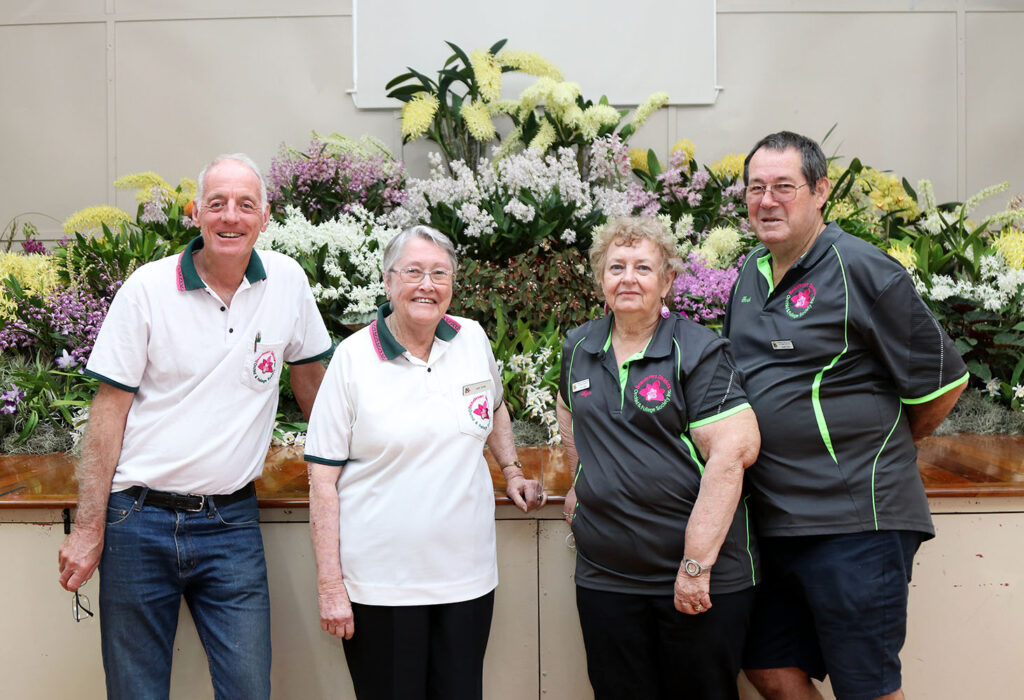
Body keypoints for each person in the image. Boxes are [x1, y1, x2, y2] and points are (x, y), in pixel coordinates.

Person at [57, 153, 332, 699]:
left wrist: (349, 473)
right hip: (137, 522)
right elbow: (107, 413)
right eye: (217, 204)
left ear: (265, 216)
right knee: (136, 692)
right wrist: (89, 530)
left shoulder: (288, 283)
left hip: (231, 524)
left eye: (245, 205)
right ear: (196, 214)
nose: (231, 217)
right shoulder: (147, 288)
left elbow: (314, 391)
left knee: (249, 689)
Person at [724, 131, 968, 700]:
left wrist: (880, 446)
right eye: (756, 188)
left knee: (868, 687)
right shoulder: (748, 275)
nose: (767, 200)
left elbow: (944, 384)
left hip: (857, 523)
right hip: (775, 521)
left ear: (820, 192)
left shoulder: (862, 269)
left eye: (784, 186)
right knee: (768, 666)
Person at [305, 224, 545, 700]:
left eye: (440, 273)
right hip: (382, 589)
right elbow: (322, 480)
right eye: (413, 272)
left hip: (467, 581)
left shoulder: (472, 338)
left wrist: (511, 470)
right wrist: (331, 584)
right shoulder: (352, 360)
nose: (427, 285)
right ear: (387, 280)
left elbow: (493, 405)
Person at [557, 216, 762, 700]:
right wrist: (578, 480)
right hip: (606, 576)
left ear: (668, 280)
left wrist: (694, 566)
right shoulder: (579, 347)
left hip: (693, 575)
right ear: (600, 279)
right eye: (616, 267)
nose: (628, 278)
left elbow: (732, 454)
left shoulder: (698, 351)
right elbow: (569, 410)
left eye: (643, 267)